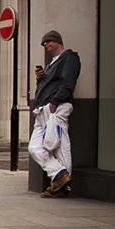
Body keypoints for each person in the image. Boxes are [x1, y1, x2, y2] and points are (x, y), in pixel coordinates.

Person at [29, 29, 81, 197]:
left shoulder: (69, 58)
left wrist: (54, 102)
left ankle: (62, 185)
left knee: (60, 144)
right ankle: (59, 175)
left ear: (58, 41)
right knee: (35, 147)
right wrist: (40, 79)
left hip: (55, 107)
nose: (46, 45)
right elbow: (49, 85)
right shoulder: (52, 63)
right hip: (44, 108)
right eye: (44, 43)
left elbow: (68, 83)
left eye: (49, 42)